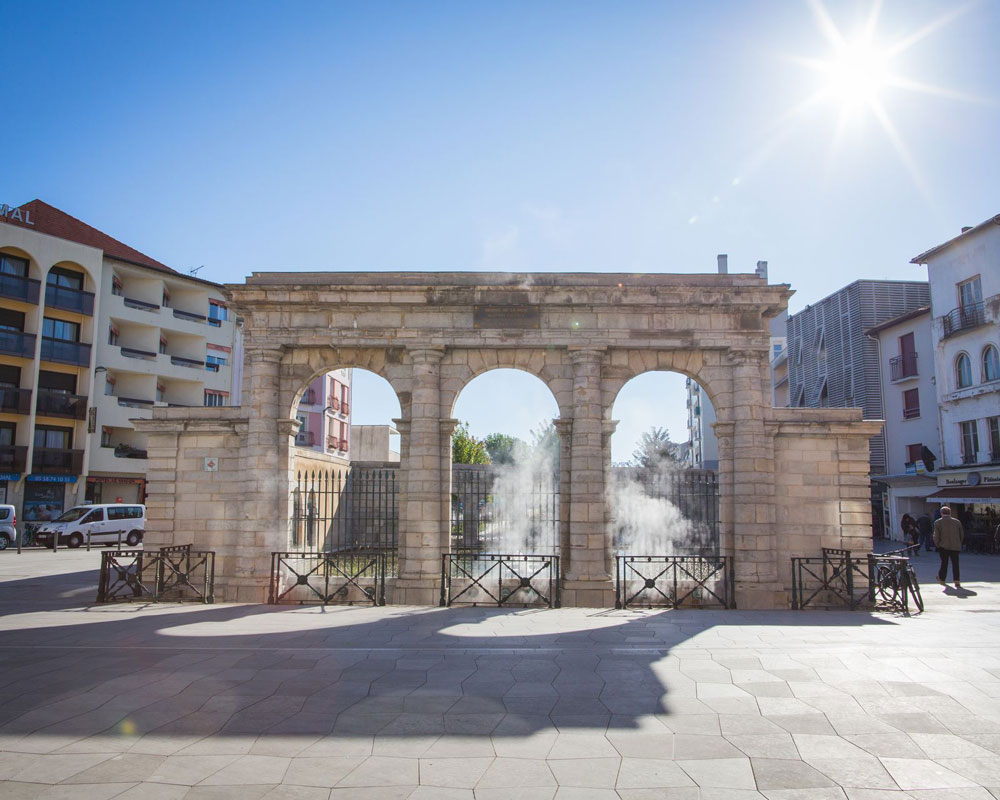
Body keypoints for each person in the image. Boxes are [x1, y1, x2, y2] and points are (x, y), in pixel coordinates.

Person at [933, 506, 965, 588]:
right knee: (955, 564)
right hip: (955, 546)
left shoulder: (938, 522)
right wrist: (959, 542)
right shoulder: (957, 522)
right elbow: (961, 534)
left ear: (941, 513)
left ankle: (942, 579)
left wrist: (937, 544)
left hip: (943, 546)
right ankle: (956, 581)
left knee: (944, 563)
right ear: (950, 513)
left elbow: (936, 535)